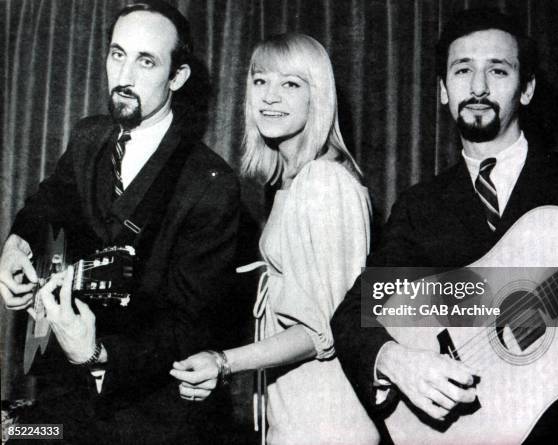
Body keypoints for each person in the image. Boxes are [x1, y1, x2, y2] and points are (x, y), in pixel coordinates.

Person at [331, 8, 558, 445]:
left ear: (528, 88)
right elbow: (354, 316)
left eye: (497, 70)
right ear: (443, 90)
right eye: (463, 71)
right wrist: (396, 359)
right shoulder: (421, 207)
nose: (478, 87)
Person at [0, 1, 240, 443]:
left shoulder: (211, 184)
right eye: (117, 54)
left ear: (178, 77)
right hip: (62, 397)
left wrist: (96, 353)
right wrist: (16, 244)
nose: (124, 77)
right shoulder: (90, 136)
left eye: (146, 61)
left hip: (149, 418)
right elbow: (48, 201)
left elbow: (189, 325)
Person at [170, 33, 380, 445]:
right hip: (297, 418)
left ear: (316, 97)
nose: (269, 96)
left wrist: (223, 362)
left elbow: (322, 329)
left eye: (291, 84)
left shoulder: (322, 181)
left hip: (327, 427)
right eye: (260, 80)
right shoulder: (291, 182)